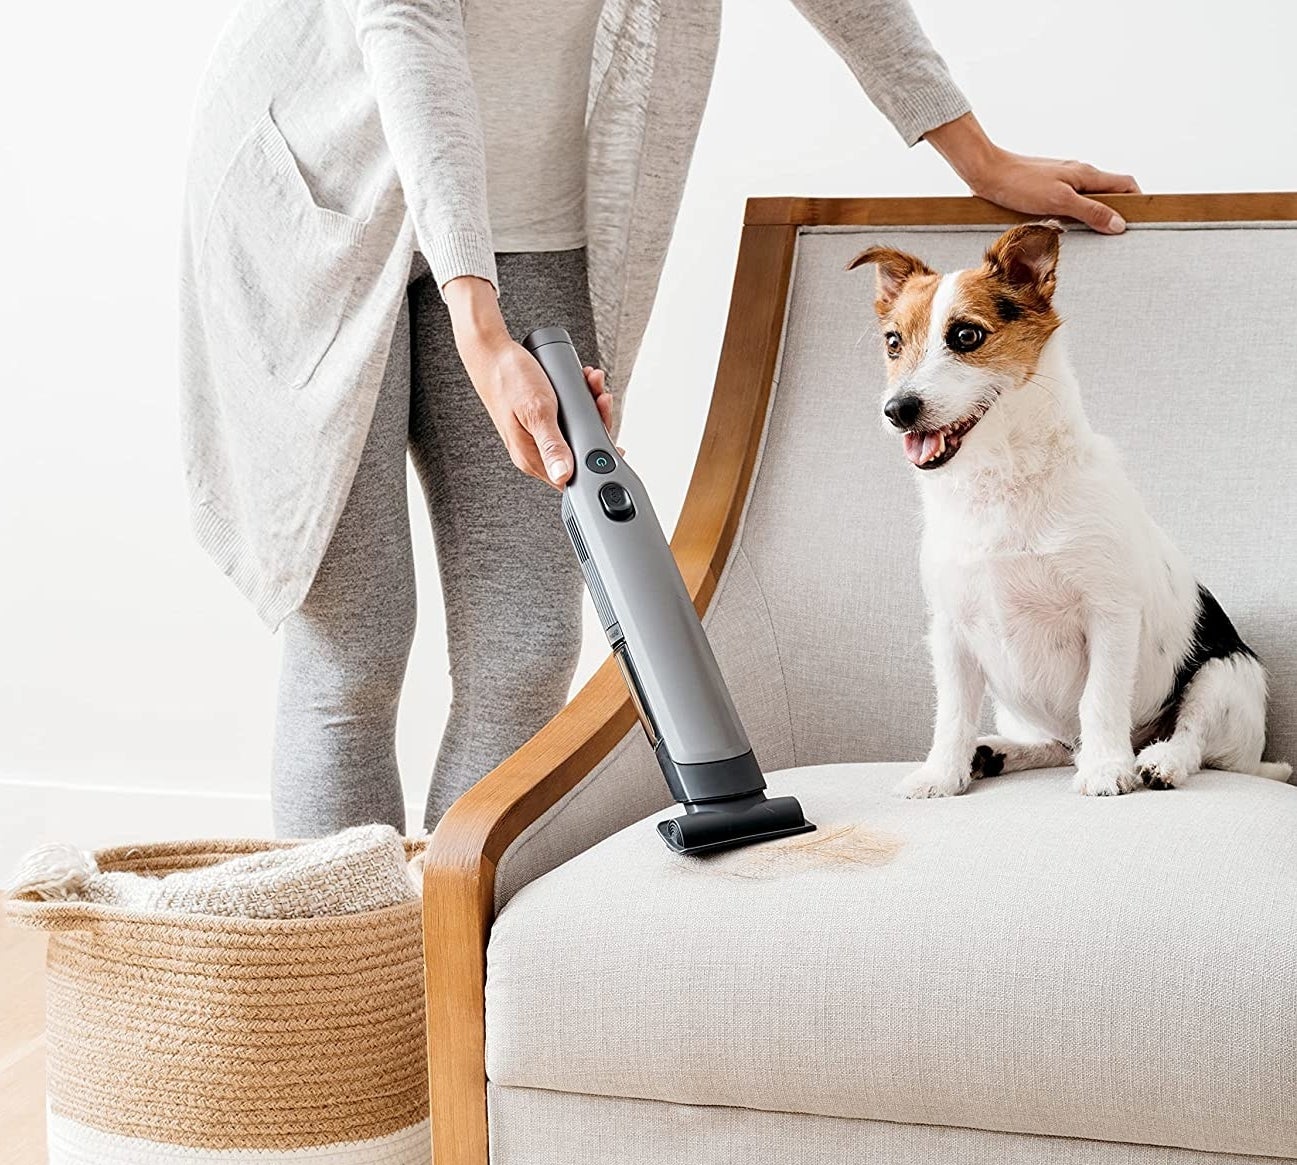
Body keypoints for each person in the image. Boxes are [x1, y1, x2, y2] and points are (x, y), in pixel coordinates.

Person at [179, 0, 1138, 838]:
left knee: (523, 648)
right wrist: (480, 327)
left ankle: (440, 988)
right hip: (318, 204)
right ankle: (340, 1006)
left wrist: (977, 156)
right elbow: (406, 17)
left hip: (538, 220)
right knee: (353, 646)